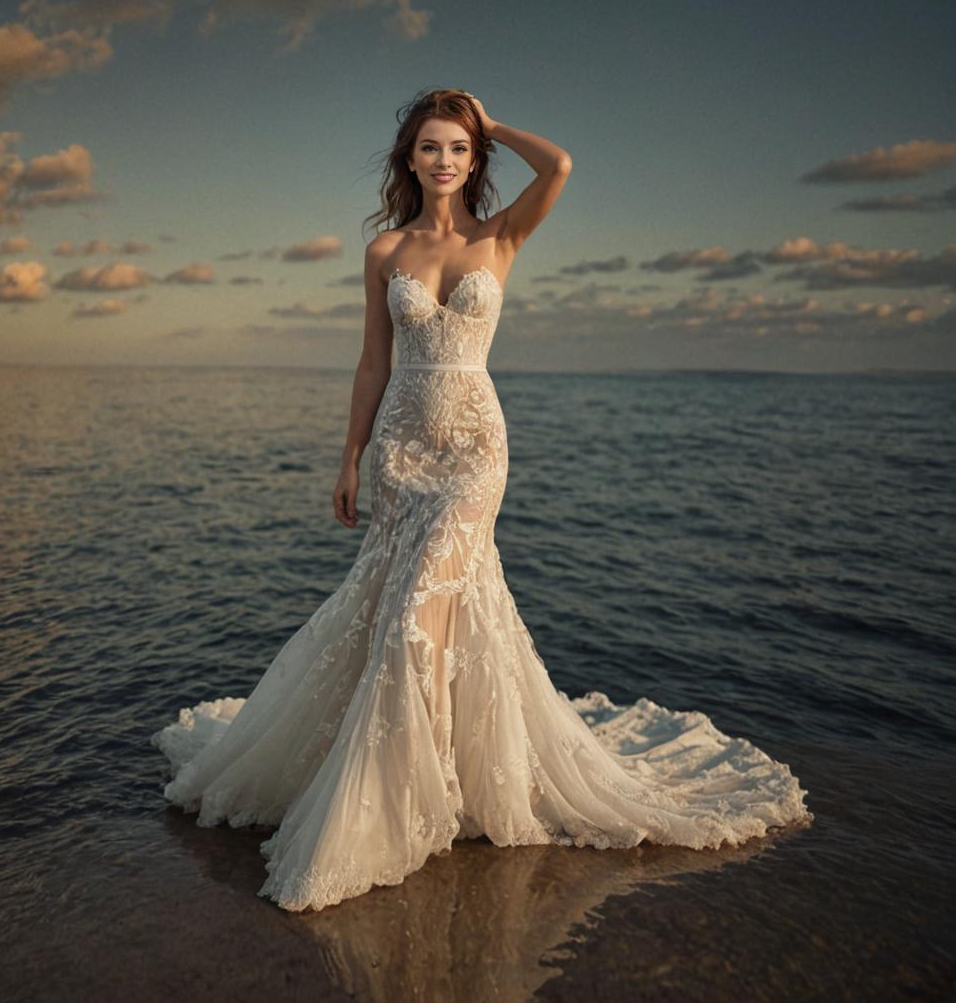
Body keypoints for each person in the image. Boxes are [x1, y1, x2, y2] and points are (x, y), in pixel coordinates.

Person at [152, 88, 812, 913]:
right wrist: (350, 457)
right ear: (409, 158)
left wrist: (488, 120)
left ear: (474, 159)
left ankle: (402, 800)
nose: (444, 160)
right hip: (402, 448)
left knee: (414, 616)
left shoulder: (503, 236)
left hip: (473, 453)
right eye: (430, 147)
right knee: (401, 607)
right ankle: (421, 782)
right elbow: (370, 363)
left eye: (459, 149)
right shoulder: (384, 250)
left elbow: (561, 164)